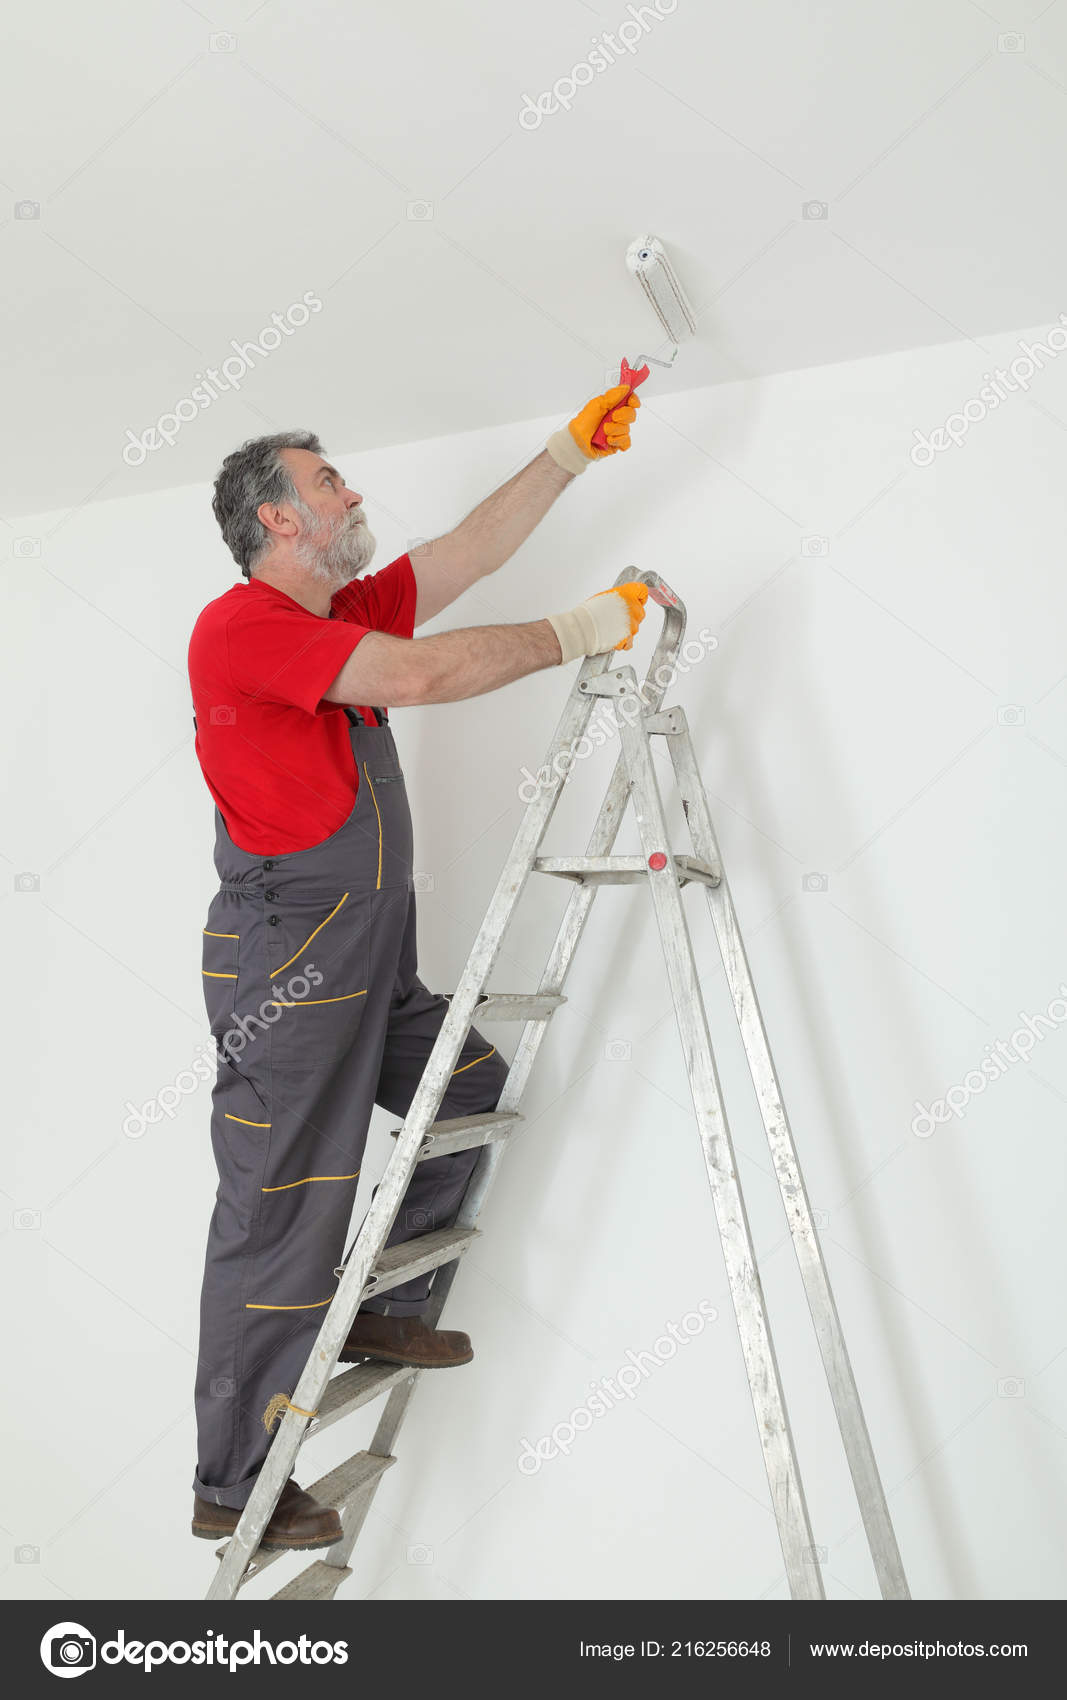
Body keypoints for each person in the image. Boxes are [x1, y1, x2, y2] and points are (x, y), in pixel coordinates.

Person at [188, 382, 648, 1551]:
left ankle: (386, 1306)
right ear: (276, 519)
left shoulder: (337, 609)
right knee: (284, 1214)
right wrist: (578, 631)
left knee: (469, 1084)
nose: (351, 492)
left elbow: (453, 559)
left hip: (369, 961)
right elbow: (423, 675)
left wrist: (563, 453)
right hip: (287, 968)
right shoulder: (242, 626)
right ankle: (232, 1480)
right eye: (327, 479)